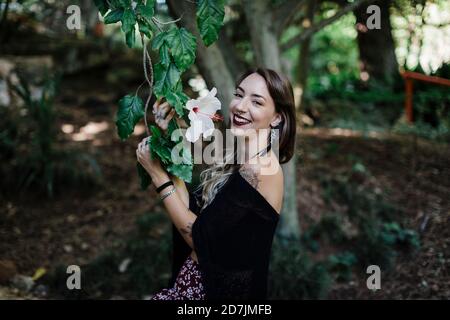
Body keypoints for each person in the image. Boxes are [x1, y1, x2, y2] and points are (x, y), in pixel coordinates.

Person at [136, 67, 296, 300]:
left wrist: (159, 177)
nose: (240, 107)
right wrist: (170, 135)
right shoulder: (240, 160)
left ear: (277, 117)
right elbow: (193, 214)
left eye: (257, 102)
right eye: (239, 95)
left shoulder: (261, 168)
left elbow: (201, 239)